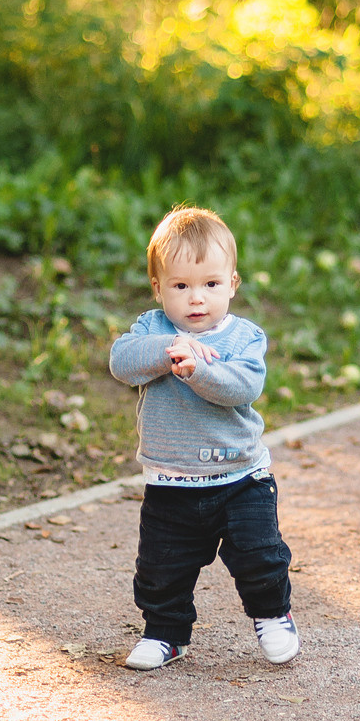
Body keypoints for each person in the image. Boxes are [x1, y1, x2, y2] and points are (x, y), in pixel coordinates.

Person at [109, 205, 299, 670]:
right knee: (160, 571)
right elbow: (122, 362)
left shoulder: (244, 338)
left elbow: (244, 387)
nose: (197, 298)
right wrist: (169, 349)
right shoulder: (152, 330)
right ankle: (165, 633)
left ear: (232, 284)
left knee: (259, 557)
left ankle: (272, 615)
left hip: (240, 477)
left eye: (211, 284)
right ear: (159, 289)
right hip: (171, 482)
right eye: (181, 286)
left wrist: (199, 370)